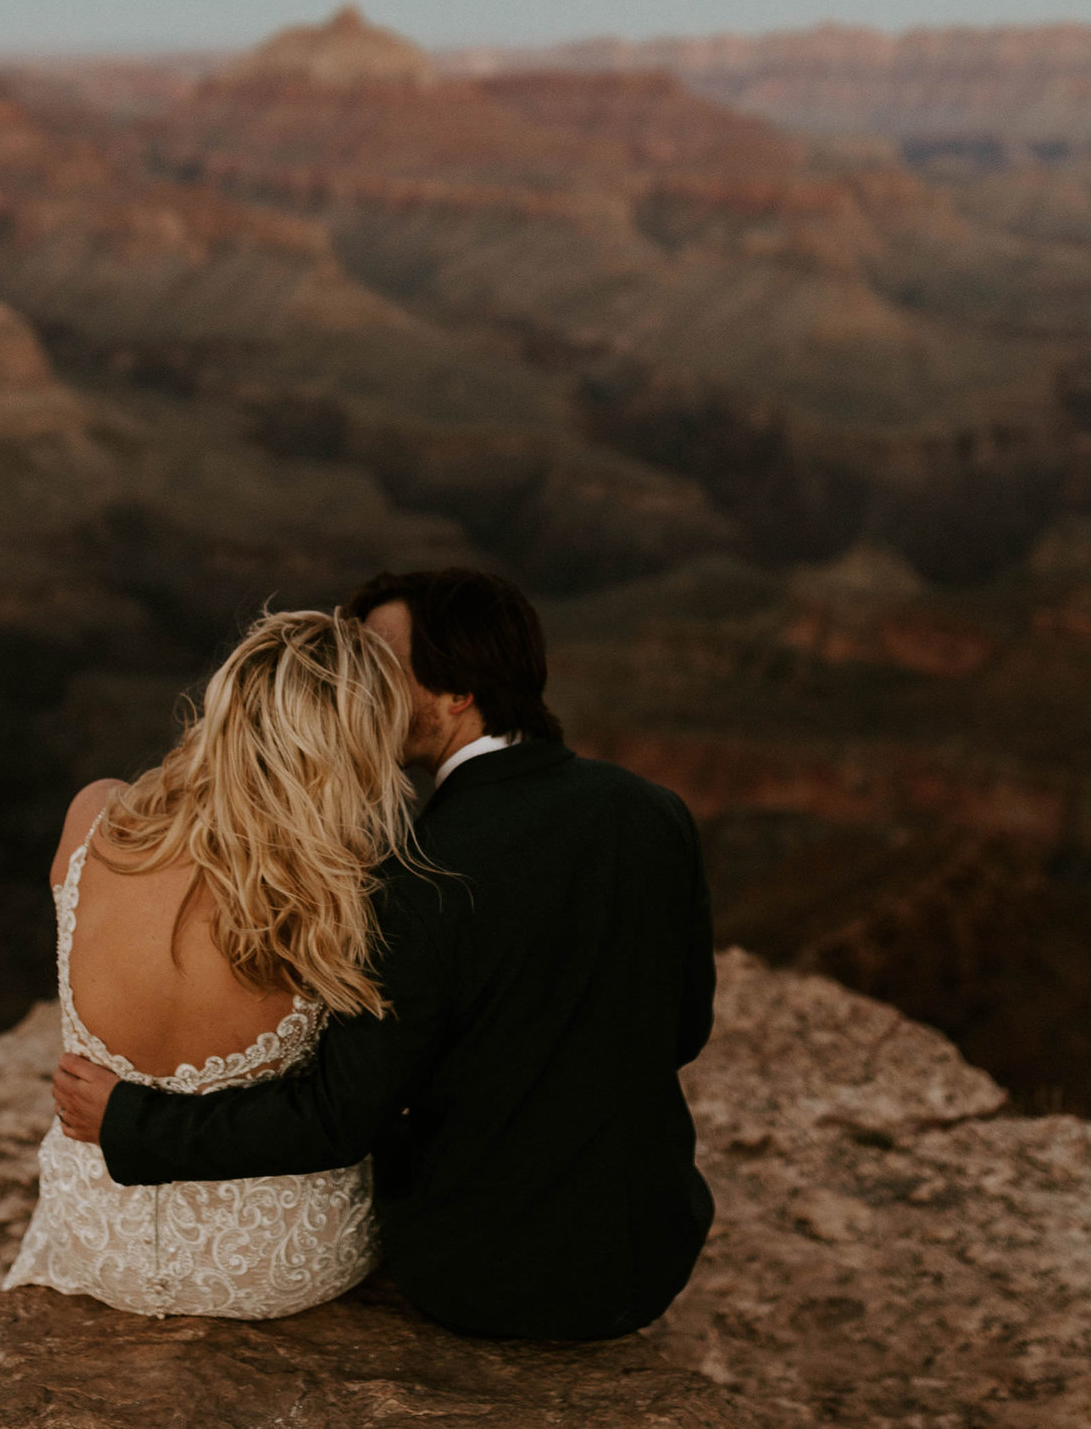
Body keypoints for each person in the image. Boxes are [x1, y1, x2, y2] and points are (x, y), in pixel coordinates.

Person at [54, 568, 717, 1341]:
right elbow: (685, 1027)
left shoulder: (415, 874)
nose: (355, 681)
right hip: (649, 1253)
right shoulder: (653, 809)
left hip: (483, 1277)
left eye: (377, 660)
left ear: (457, 688)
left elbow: (339, 1115)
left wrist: (132, 1121)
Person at [2, 607, 424, 1319]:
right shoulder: (347, 896)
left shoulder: (94, 816)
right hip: (278, 1263)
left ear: (222, 708)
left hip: (99, 1241)